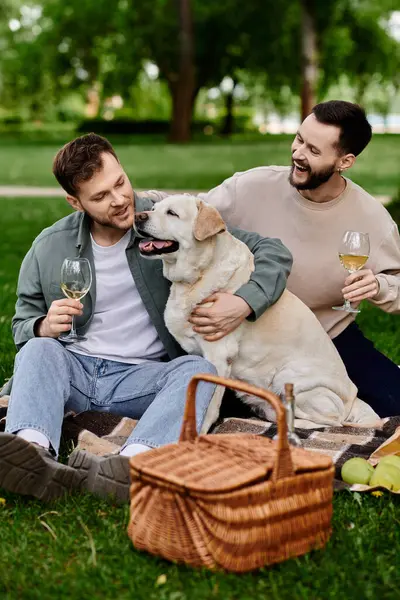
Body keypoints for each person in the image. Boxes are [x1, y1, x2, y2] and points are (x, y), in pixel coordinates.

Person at [0, 133, 292, 503]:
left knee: (198, 371)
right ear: (76, 203)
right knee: (38, 351)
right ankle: (31, 454)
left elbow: (273, 251)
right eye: (100, 196)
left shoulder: (168, 219)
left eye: (119, 182)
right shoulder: (49, 245)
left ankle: (131, 465)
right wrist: (42, 326)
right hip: (74, 370)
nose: (119, 199)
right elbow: (23, 324)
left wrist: (244, 302)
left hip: (142, 379)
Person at [200, 100, 400, 417]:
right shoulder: (249, 188)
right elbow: (188, 217)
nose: (298, 154)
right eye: (299, 139)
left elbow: (398, 286)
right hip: (250, 337)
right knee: (214, 414)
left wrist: (379, 286)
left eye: (314, 151)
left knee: (395, 405)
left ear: (345, 161)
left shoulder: (373, 219)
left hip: (329, 339)